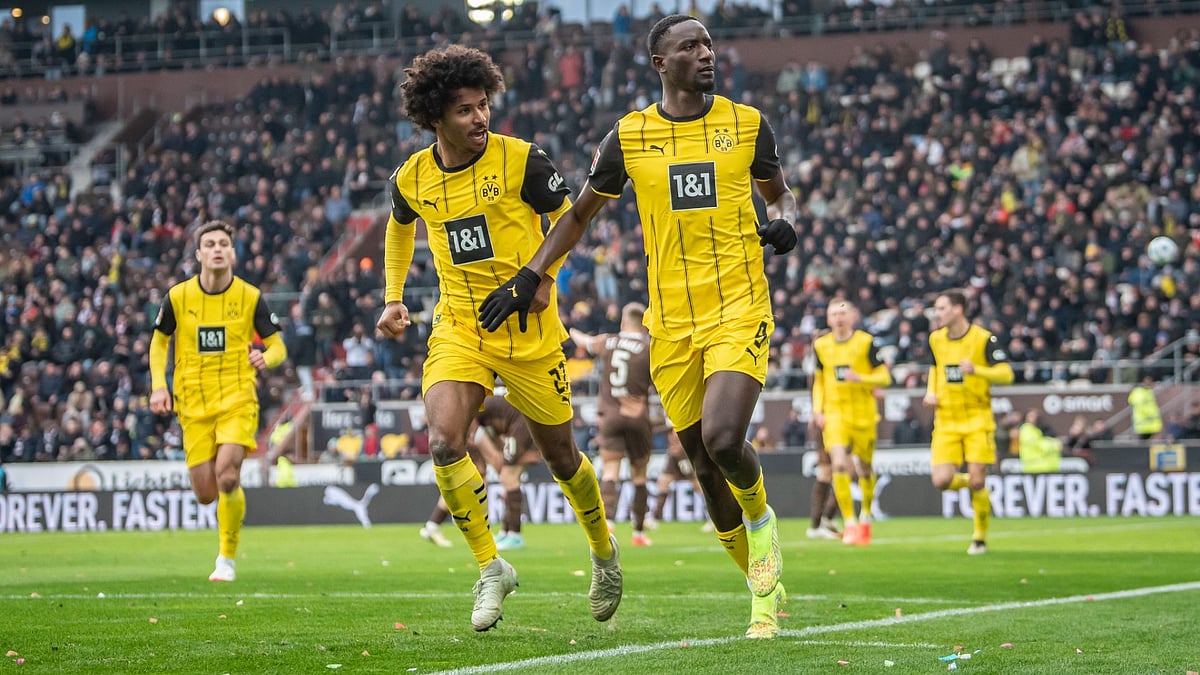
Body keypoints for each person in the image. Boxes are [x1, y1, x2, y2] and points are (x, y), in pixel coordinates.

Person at [478, 14, 794, 639]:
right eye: (690, 46)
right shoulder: (629, 135)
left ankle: (763, 535)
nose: (706, 53)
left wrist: (786, 219)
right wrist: (531, 273)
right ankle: (764, 585)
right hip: (669, 324)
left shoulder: (747, 124)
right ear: (660, 63)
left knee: (724, 438)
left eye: (708, 44)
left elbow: (779, 193)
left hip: (739, 307)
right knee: (703, 464)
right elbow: (578, 215)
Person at [375, 44, 621, 632]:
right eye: (464, 109)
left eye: (483, 104)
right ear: (435, 117)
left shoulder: (522, 160)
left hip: (529, 332)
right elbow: (399, 225)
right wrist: (393, 295)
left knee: (562, 458)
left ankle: (603, 551)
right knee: (443, 442)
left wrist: (543, 278)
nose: (480, 117)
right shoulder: (412, 177)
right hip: (460, 328)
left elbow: (571, 218)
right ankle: (491, 567)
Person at [149, 219, 288, 582]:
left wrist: (266, 357)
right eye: (210, 244)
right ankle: (226, 510)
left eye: (223, 244)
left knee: (227, 476)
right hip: (192, 404)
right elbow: (159, 342)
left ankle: (226, 558)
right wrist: (159, 386)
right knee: (206, 494)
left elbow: (278, 346)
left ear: (232, 253)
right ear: (198, 254)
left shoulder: (250, 297)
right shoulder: (178, 297)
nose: (217, 249)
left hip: (237, 399)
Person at [923, 290, 1013, 556]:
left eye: (941, 308)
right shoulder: (935, 339)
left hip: (977, 419)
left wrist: (977, 370)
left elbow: (1006, 374)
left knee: (976, 482)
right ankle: (976, 483)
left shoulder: (983, 339)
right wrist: (931, 392)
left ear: (958, 309)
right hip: (946, 419)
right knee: (941, 481)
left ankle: (979, 538)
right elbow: (935, 368)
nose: (937, 314)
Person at [569, 302, 656, 547]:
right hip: (638, 417)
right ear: (643, 324)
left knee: (610, 470)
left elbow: (584, 341)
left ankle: (607, 523)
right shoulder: (648, 348)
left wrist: (571, 330)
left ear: (623, 322)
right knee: (639, 475)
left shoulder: (608, 341)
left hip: (610, 416)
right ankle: (639, 533)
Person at [811, 300, 892, 546]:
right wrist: (817, 409)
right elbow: (819, 381)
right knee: (838, 465)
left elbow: (885, 377)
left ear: (853, 317)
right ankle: (850, 523)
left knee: (865, 468)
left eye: (843, 313)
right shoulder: (821, 346)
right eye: (834, 314)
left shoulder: (866, 343)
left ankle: (865, 516)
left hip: (864, 415)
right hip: (835, 414)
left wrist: (862, 379)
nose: (838, 318)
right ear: (828, 319)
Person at [473, 394, 542, 550]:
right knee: (510, 478)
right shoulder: (483, 406)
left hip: (522, 423)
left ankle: (515, 535)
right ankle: (506, 531)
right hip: (527, 418)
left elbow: (488, 448)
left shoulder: (469, 412)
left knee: (508, 477)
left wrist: (499, 463)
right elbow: (496, 439)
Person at [1128, 376, 1163, 440]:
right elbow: (1141, 406)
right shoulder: (1139, 392)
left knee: (1149, 443)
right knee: (1145, 443)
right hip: (1144, 423)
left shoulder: (1148, 392)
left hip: (1150, 424)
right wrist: (1150, 415)